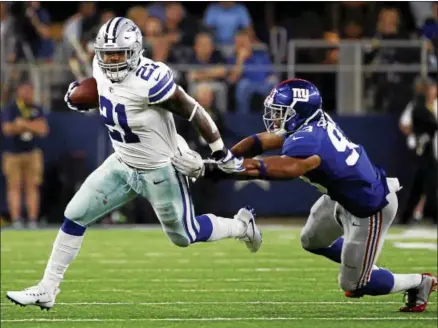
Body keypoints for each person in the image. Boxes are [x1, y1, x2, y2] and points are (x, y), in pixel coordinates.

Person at [6, 17, 261, 310]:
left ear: (136, 50)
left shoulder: (151, 80)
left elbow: (194, 111)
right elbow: (104, 93)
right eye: (107, 53)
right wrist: (84, 94)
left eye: (119, 53)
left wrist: (220, 152)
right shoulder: (99, 67)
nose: (112, 59)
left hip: (161, 169)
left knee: (184, 235)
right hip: (123, 161)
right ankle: (47, 289)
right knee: (74, 215)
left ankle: (242, 226)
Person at [173, 78, 437, 313]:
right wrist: (225, 159)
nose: (274, 118)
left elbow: (287, 168)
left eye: (280, 112)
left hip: (369, 207)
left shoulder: (311, 141)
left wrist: (225, 169)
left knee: (354, 284)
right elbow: (260, 141)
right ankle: (360, 262)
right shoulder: (309, 123)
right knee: (311, 240)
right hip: (340, 196)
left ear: (298, 112)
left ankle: (418, 282)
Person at [1, 82, 49, 229]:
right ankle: (16, 219)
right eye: (25, 90)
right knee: (14, 187)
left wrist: (23, 124)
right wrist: (31, 125)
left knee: (32, 186)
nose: (28, 93)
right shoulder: (11, 108)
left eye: (30, 90)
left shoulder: (36, 108)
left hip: (32, 153)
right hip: (12, 154)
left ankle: (32, 219)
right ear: (19, 91)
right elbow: (7, 128)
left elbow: (43, 129)